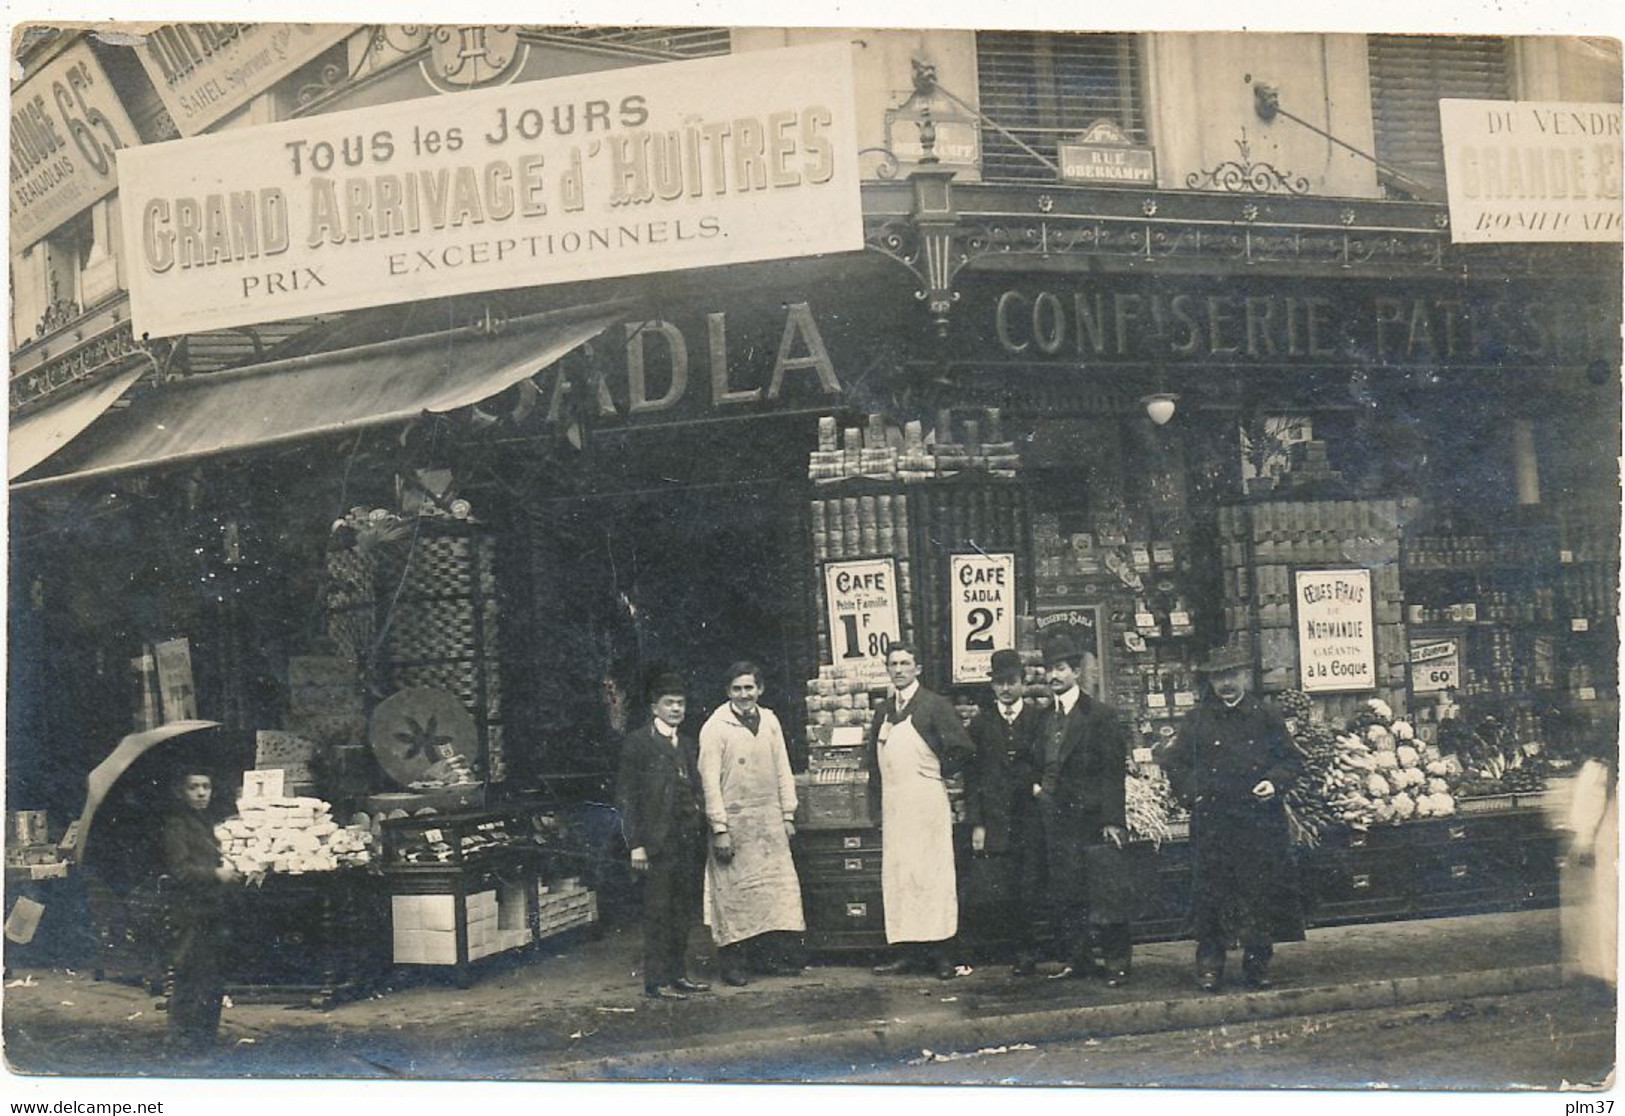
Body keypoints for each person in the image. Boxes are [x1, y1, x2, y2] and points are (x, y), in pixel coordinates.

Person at [1161, 643, 1306, 992]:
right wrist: (1193, 791)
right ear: (1210, 681)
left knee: (1259, 893)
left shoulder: (1265, 715)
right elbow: (1175, 763)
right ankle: (1210, 963)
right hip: (1214, 819)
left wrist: (1274, 782)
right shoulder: (1197, 719)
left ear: (1243, 675)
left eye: (1231, 675)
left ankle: (1258, 963)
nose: (1225, 684)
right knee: (1211, 894)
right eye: (1218, 677)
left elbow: (1292, 760)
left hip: (1258, 820)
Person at [865, 642, 974, 980]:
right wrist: (877, 812)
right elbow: (874, 764)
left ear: (917, 668)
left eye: (905, 663)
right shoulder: (883, 711)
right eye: (893, 664)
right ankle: (906, 953)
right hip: (895, 806)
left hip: (926, 804)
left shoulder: (934, 705)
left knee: (932, 877)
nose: (898, 669)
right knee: (900, 879)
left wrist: (939, 772)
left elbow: (963, 749)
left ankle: (942, 955)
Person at [698, 661, 807, 987]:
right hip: (734, 825)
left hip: (768, 822)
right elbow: (709, 784)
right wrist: (720, 829)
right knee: (734, 896)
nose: (744, 695)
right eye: (737, 689)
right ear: (727, 692)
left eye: (749, 688)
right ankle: (733, 964)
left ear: (760, 689)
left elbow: (782, 770)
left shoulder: (770, 720)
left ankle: (767, 959)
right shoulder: (715, 728)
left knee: (771, 894)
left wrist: (787, 814)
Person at [1034, 634, 1134, 985]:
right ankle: (1079, 960)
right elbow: (1039, 762)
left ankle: (1117, 962)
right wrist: (1038, 787)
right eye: (1049, 670)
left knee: (1104, 891)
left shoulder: (1099, 715)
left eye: (1060, 669)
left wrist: (1113, 820)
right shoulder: (1045, 718)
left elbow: (1112, 771)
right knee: (1068, 892)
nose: (1054, 676)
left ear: (1075, 671)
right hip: (1057, 820)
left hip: (1091, 818)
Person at [615, 672, 712, 1000]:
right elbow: (627, 797)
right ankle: (657, 981)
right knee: (658, 912)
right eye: (669, 703)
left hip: (685, 840)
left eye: (680, 704)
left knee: (682, 910)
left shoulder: (686, 744)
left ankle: (678, 975)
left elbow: (695, 788)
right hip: (656, 843)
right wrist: (636, 845)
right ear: (654, 708)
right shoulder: (638, 743)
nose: (676, 709)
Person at [963, 648, 1046, 974]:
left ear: (1023, 682)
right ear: (992, 686)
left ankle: (1030, 950)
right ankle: (1012, 949)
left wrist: (1037, 787)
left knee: (1031, 885)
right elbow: (973, 778)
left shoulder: (1040, 719)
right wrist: (977, 823)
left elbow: (1047, 765)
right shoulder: (981, 724)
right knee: (1005, 886)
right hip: (996, 819)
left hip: (1031, 817)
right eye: (999, 683)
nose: (1006, 689)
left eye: (1011, 682)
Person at [160, 769, 240, 1059]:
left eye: (206, 786)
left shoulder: (203, 822)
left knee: (211, 977)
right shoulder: (176, 825)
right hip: (191, 912)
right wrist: (217, 873)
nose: (201, 793)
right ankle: (180, 1043)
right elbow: (180, 871)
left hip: (211, 909)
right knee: (189, 975)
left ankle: (204, 1041)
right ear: (181, 792)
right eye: (194, 787)